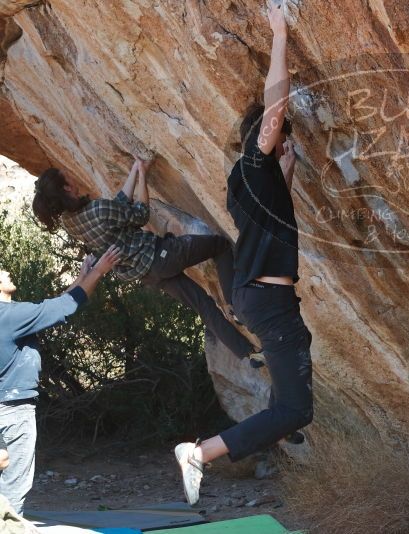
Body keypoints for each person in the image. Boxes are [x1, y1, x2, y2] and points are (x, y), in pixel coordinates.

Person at [173, 1, 313, 506]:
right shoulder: (256, 161)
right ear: (264, 140)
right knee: (297, 409)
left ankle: (279, 420)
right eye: (278, 143)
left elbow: (272, 218)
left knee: (294, 367)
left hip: (263, 299)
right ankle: (200, 453)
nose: (279, 145)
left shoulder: (246, 183)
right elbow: (274, 109)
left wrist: (288, 171)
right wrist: (280, 35)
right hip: (270, 304)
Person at [31, 157, 263, 364]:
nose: (71, 174)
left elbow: (118, 207)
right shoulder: (98, 209)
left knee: (204, 306)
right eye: (67, 175)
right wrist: (142, 176)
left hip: (147, 275)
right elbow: (141, 213)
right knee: (220, 245)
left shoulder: (70, 222)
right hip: (160, 256)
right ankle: (238, 308)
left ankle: (248, 354)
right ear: (67, 187)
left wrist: (134, 169)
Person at [0, 247, 121, 515]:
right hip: (14, 412)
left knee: (3, 470)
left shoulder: (11, 317)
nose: (6, 271)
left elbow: (54, 306)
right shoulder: (9, 316)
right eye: (1, 270)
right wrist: (100, 271)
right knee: (13, 489)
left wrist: (82, 278)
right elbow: (65, 308)